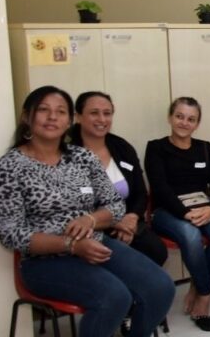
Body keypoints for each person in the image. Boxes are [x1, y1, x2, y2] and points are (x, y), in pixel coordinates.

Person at [0, 86, 175, 337]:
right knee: (114, 296)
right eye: (44, 109)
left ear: (69, 120)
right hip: (43, 260)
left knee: (160, 286)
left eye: (60, 111)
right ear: (27, 116)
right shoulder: (10, 167)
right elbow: (11, 233)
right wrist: (69, 244)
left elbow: (115, 206)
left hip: (96, 241)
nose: (53, 116)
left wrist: (92, 221)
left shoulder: (81, 157)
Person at [146, 97, 210, 330]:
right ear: (170, 117)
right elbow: (160, 187)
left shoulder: (204, 148)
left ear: (197, 123)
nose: (184, 123)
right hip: (168, 210)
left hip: (204, 206)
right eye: (179, 116)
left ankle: (196, 283)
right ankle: (205, 293)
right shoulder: (156, 148)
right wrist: (185, 213)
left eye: (191, 119)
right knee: (190, 235)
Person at [69, 91, 168, 268]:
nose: (102, 119)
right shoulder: (66, 153)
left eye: (107, 113)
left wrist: (131, 218)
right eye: (94, 113)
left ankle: (136, 295)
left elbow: (140, 193)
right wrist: (115, 223)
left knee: (156, 250)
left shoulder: (122, 147)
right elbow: (70, 204)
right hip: (88, 228)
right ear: (78, 116)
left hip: (127, 221)